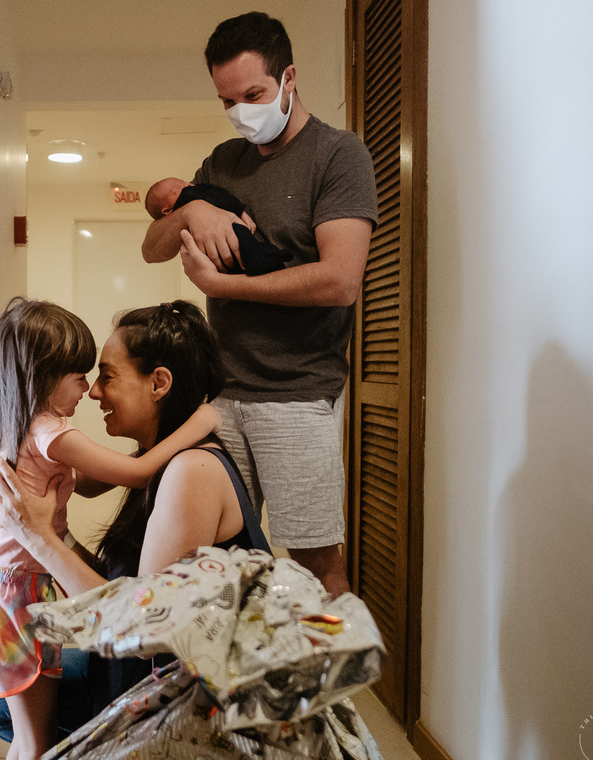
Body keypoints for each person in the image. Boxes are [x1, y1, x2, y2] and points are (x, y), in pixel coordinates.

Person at [141, 12, 379, 596]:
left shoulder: (338, 156)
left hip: (297, 395)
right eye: (228, 101)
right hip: (221, 398)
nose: (243, 111)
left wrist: (223, 288)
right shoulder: (223, 163)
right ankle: (235, 688)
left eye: (253, 95)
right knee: (216, 564)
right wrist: (193, 210)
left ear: (288, 78)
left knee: (316, 566)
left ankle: (325, 689)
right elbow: (152, 247)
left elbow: (339, 281)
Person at [0, 300, 268, 743]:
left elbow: (143, 625)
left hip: (178, 703)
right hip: (138, 665)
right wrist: (41, 529)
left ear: (159, 383)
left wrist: (37, 536)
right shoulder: (165, 460)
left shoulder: (190, 472)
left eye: (107, 376)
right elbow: (119, 578)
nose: (92, 392)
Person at [145, 176, 291, 275]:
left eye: (183, 182)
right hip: (229, 249)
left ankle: (268, 256)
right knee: (244, 249)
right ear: (167, 211)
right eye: (177, 190)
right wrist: (191, 210)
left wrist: (215, 284)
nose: (185, 185)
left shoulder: (195, 191)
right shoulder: (190, 196)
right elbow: (149, 252)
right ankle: (265, 259)